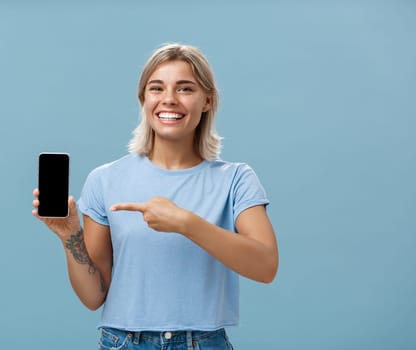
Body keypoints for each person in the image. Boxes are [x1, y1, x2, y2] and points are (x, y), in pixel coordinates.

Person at [32, 43, 278, 350]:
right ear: (144, 99)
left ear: (207, 101)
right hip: (123, 342)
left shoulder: (236, 180)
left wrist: (185, 223)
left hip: (203, 343)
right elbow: (94, 296)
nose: (169, 100)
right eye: (156, 88)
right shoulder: (105, 180)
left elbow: (266, 266)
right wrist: (70, 236)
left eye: (185, 88)